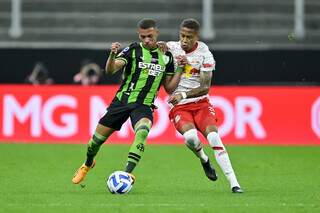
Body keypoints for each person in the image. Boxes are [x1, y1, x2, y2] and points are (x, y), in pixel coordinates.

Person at [72, 18, 182, 184]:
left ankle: (125, 175)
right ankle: (88, 163)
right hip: (122, 102)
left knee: (143, 131)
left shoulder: (167, 56)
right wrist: (112, 54)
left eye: (150, 36)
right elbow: (110, 70)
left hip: (144, 105)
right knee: (94, 143)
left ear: (156, 33)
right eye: (143, 36)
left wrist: (180, 69)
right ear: (139, 35)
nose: (146, 40)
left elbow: (169, 88)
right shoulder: (133, 49)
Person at [166, 18, 243, 193]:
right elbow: (155, 46)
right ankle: (203, 159)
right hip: (179, 107)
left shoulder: (205, 54)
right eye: (182, 36)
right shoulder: (172, 47)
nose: (184, 40)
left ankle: (234, 183)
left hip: (200, 103)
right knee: (191, 138)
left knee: (214, 138)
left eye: (188, 37)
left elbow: (205, 87)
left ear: (197, 37)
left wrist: (183, 94)